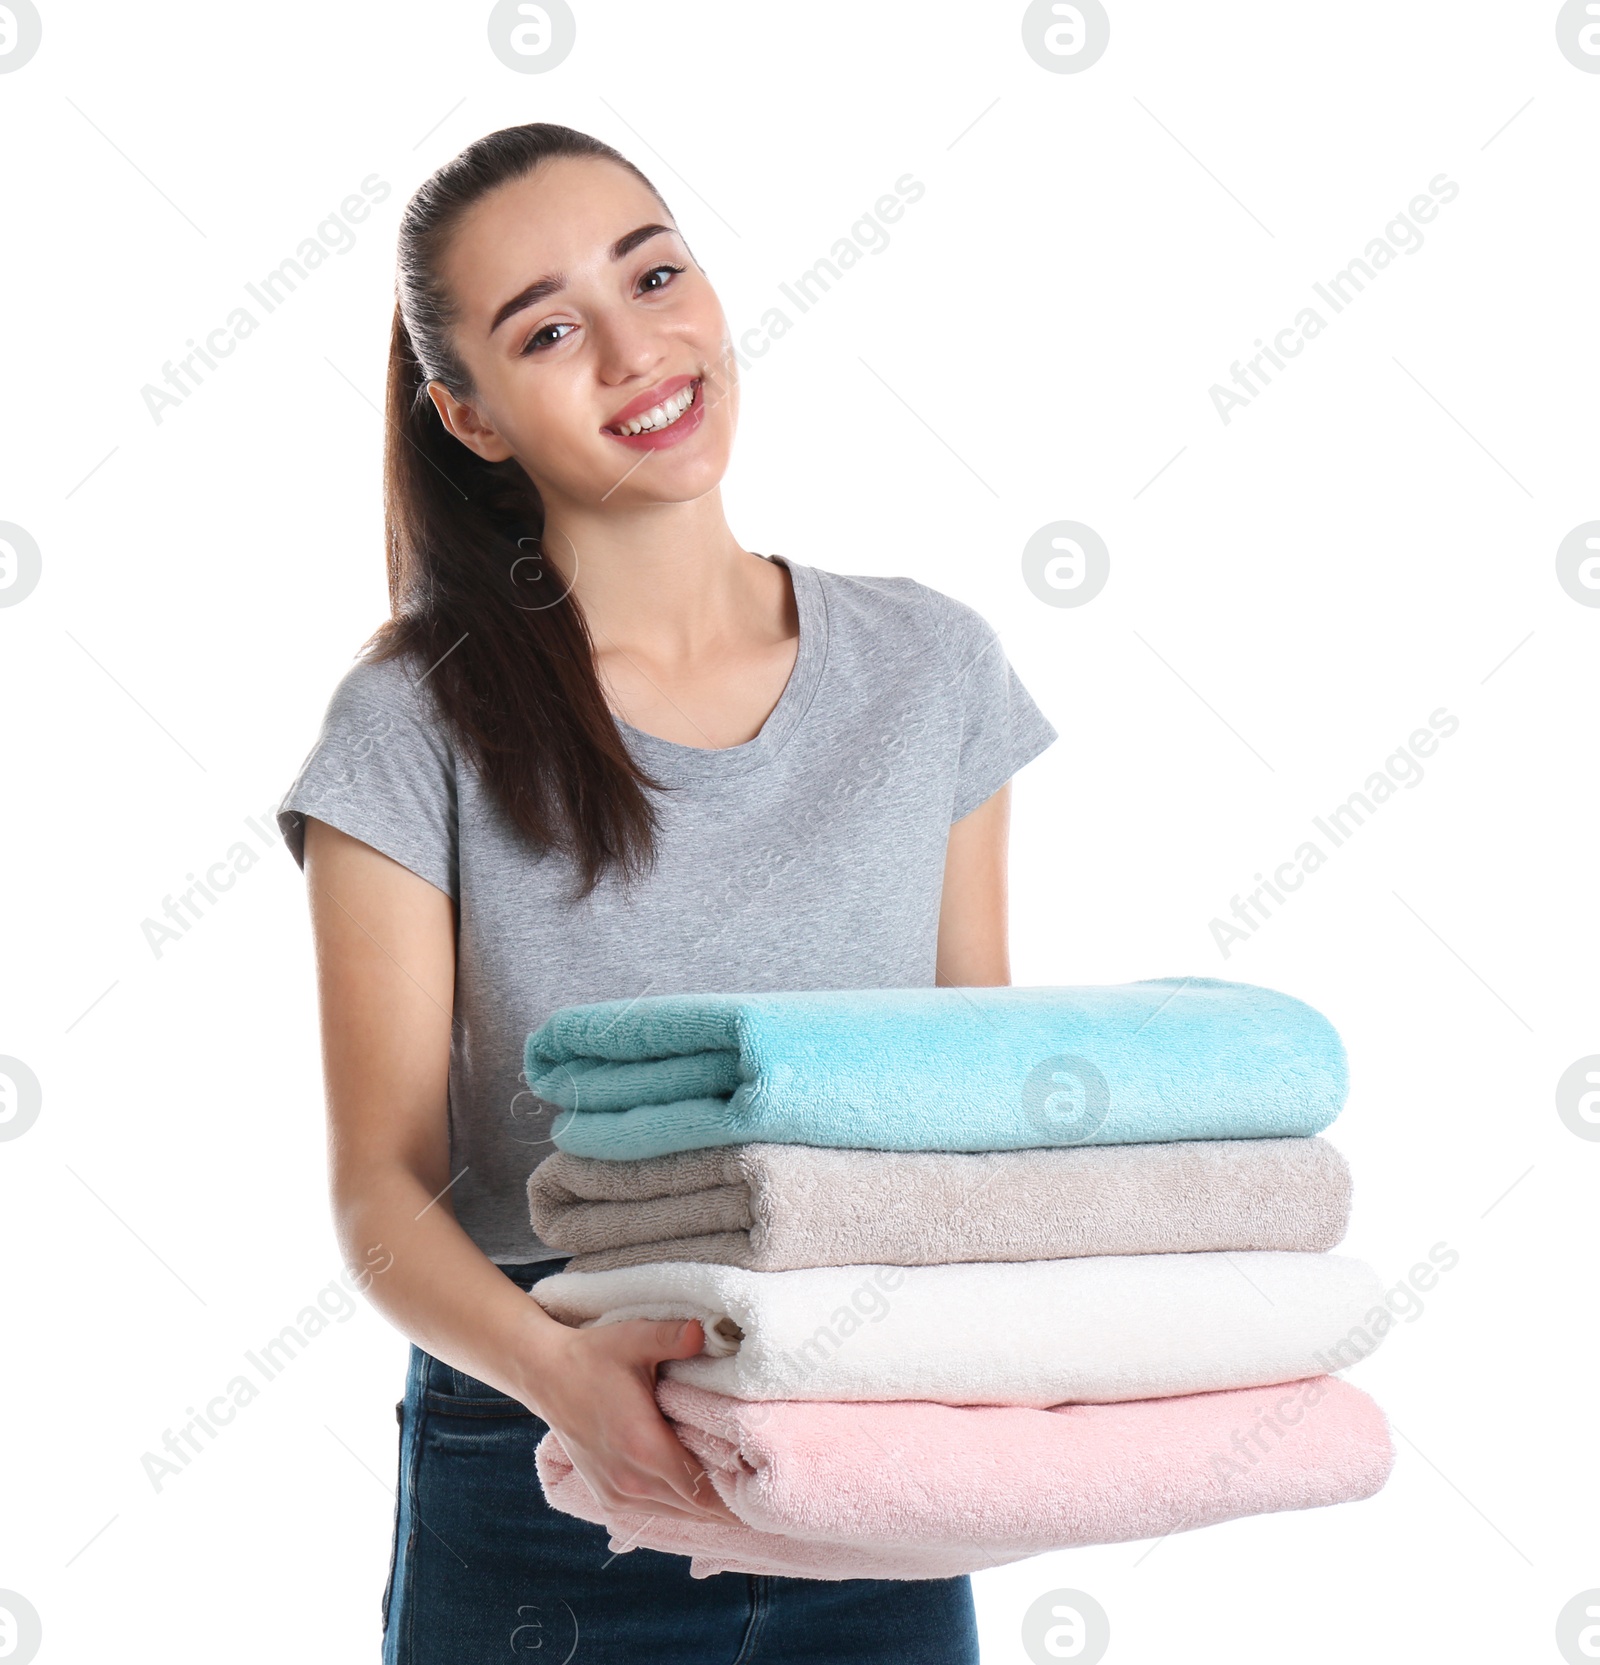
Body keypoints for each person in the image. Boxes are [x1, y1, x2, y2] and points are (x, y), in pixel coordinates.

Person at [276, 120, 1057, 1664]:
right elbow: (383, 1185)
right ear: (469, 415)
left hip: (869, 1449)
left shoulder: (931, 671)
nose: (638, 348)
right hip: (541, 1464)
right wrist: (566, 1379)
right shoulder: (410, 726)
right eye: (551, 330)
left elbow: (978, 1091)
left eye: (656, 272)